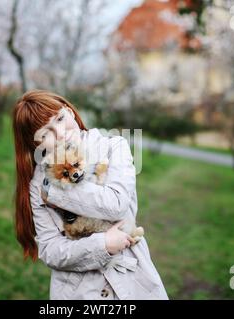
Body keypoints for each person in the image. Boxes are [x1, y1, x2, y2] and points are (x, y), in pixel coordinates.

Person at [12, 89, 169, 300]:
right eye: (46, 132)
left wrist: (57, 190)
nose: (60, 133)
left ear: (69, 111)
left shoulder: (113, 147)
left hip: (132, 281)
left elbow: (117, 204)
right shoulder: (39, 183)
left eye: (59, 119)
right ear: (36, 143)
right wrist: (102, 245)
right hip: (78, 292)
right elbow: (50, 249)